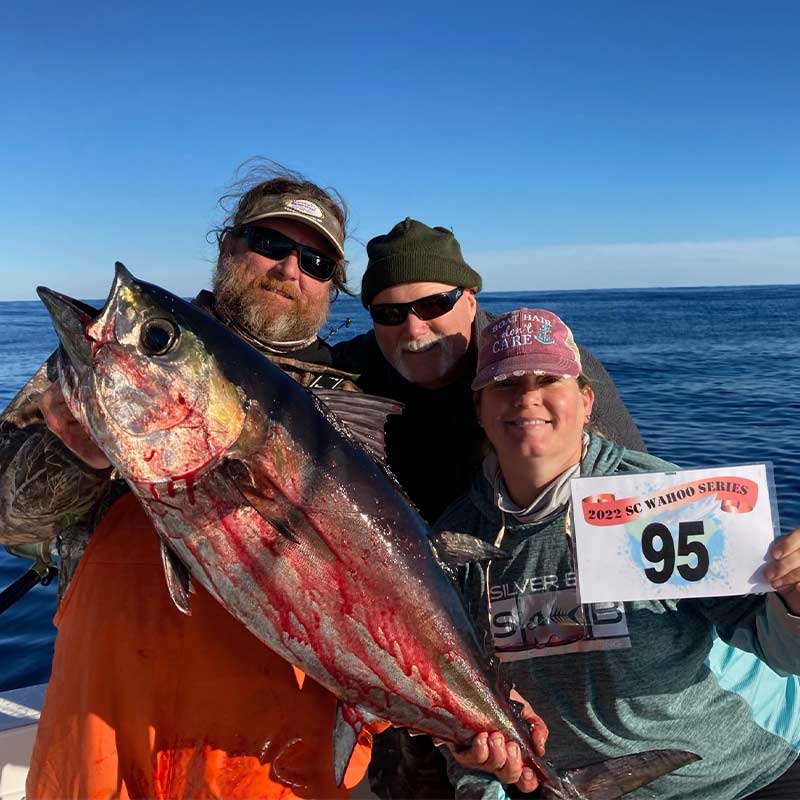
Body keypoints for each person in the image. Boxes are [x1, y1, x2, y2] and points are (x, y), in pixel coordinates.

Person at [0, 163, 379, 799]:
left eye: (316, 263)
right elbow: (9, 520)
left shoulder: (348, 415)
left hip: (274, 755)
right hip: (102, 729)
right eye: (273, 245)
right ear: (229, 246)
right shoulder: (114, 356)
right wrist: (81, 454)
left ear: (331, 290)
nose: (291, 270)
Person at [332, 218, 647, 797]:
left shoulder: (532, 368)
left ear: (470, 297)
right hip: (406, 617)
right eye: (388, 312)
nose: (414, 327)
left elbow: (623, 500)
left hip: (526, 605)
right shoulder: (345, 378)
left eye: (434, 303)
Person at [437, 307, 800, 799]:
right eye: (505, 383)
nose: (527, 397)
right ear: (478, 408)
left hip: (741, 776)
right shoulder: (452, 541)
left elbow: (779, 650)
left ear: (586, 400)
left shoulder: (668, 501)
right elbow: (459, 691)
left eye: (548, 379)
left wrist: (795, 599)